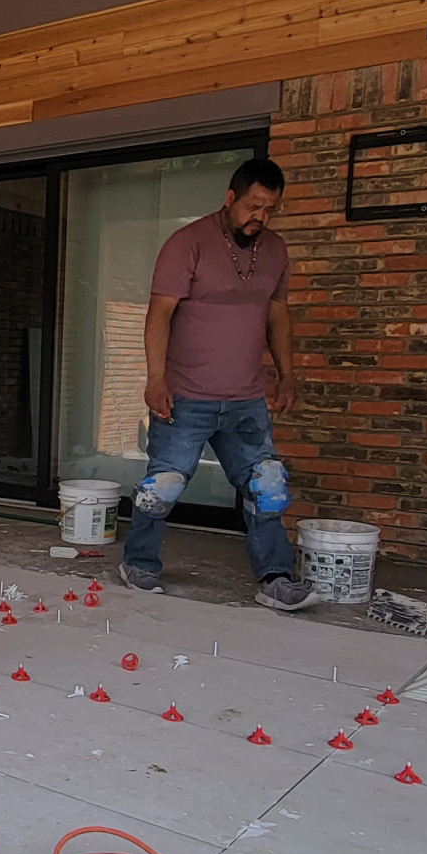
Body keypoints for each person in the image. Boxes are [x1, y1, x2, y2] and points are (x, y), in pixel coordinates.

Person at [117, 157, 314, 611]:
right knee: (164, 483)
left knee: (267, 483)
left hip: (246, 398)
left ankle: (275, 579)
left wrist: (287, 375)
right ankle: (139, 563)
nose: (259, 218)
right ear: (230, 198)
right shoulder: (188, 243)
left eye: (269, 209)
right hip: (186, 394)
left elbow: (278, 316)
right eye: (253, 206)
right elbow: (159, 313)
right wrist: (155, 379)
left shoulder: (276, 251)